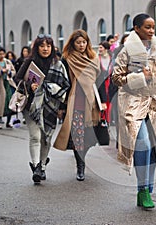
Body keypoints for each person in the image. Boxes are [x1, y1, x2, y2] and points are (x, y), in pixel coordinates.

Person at [112, 13, 156, 210]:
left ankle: (148, 187)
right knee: (143, 143)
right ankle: (143, 189)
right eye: (147, 27)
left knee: (154, 147)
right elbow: (116, 78)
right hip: (133, 101)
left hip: (155, 101)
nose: (151, 31)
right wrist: (138, 77)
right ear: (136, 28)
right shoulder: (126, 50)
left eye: (153, 27)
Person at [14, 34, 70, 184]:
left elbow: (65, 86)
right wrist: (28, 85)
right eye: (42, 46)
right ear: (37, 48)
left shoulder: (58, 64)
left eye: (48, 46)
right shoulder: (30, 61)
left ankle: (43, 166)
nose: (45, 49)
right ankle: (36, 166)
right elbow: (17, 79)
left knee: (46, 138)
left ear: (52, 47)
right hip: (31, 105)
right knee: (35, 136)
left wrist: (62, 107)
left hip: (51, 107)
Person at [53, 29, 103, 182]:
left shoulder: (93, 58)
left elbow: (98, 81)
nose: (82, 45)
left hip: (91, 101)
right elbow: (63, 83)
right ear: (72, 44)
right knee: (77, 137)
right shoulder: (67, 59)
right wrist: (62, 106)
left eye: (84, 42)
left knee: (89, 137)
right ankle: (80, 166)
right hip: (75, 101)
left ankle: (82, 158)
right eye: (78, 42)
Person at [0, 47, 16, 129]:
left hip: (8, 83)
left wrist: (10, 73)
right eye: (0, 54)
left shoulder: (7, 61)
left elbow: (13, 70)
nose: (2, 55)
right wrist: (1, 72)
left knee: (10, 102)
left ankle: (9, 121)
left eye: (3, 54)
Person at [97, 41, 114, 123]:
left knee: (109, 101)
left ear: (106, 49)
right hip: (101, 83)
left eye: (101, 47)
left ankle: (109, 118)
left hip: (110, 83)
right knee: (103, 99)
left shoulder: (112, 58)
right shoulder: (97, 59)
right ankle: (103, 117)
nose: (99, 49)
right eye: (99, 47)